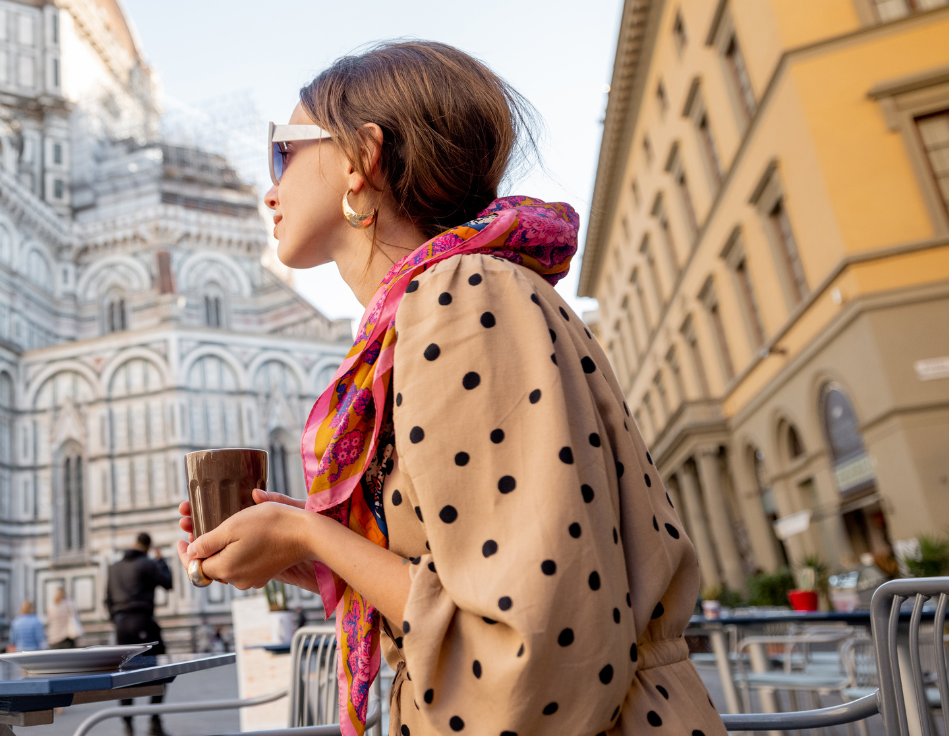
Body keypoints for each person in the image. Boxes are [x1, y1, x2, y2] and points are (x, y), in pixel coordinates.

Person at [177, 41, 726, 736]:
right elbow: (463, 586)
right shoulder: (438, 307)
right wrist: (302, 548)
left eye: (283, 151)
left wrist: (307, 532)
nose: (269, 188)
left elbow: (529, 653)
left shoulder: (462, 297)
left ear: (360, 158)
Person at [106, 533, 172, 736]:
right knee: (162, 670)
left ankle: (128, 726)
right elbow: (168, 582)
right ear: (148, 547)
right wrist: (161, 561)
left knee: (125, 674)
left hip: (121, 626)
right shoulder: (148, 563)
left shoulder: (114, 568)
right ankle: (154, 721)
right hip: (143, 622)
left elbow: (107, 600)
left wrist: (117, 620)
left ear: (134, 544)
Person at [46, 585, 82, 649]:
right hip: (67, 638)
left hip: (53, 638)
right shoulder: (70, 604)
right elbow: (76, 616)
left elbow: (49, 621)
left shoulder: (51, 607)